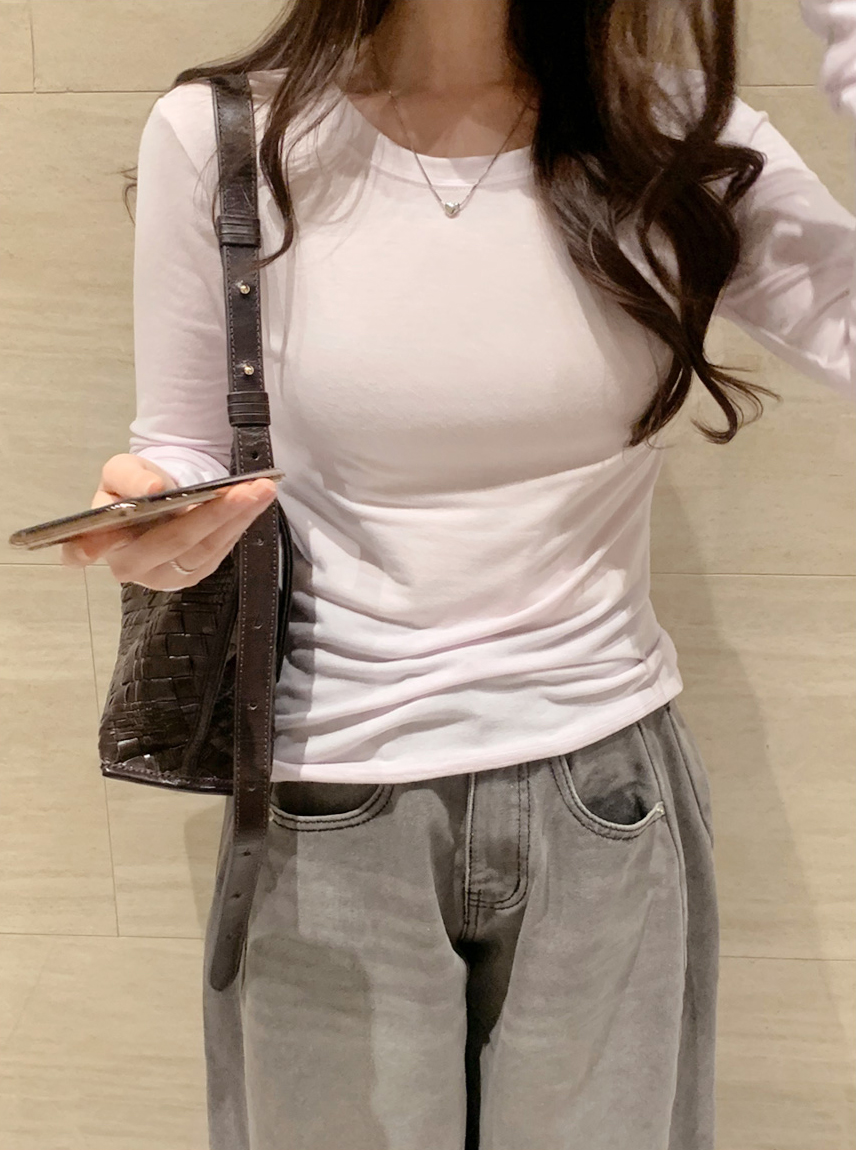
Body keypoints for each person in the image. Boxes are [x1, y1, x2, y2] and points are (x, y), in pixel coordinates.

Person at [61, 0, 855, 1147]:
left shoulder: (670, 134)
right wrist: (161, 509)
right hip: (329, 800)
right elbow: (188, 442)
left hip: (606, 794)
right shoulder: (223, 135)